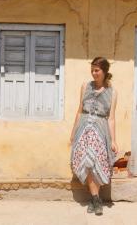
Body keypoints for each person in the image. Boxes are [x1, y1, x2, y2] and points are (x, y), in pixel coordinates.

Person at [70, 57, 118, 215]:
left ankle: (94, 199)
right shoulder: (85, 86)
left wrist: (113, 140)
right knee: (87, 163)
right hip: (84, 129)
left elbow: (111, 118)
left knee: (97, 163)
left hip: (100, 130)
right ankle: (96, 199)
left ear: (105, 71)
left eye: (97, 70)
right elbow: (79, 110)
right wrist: (73, 133)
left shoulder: (112, 92)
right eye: (92, 70)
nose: (93, 73)